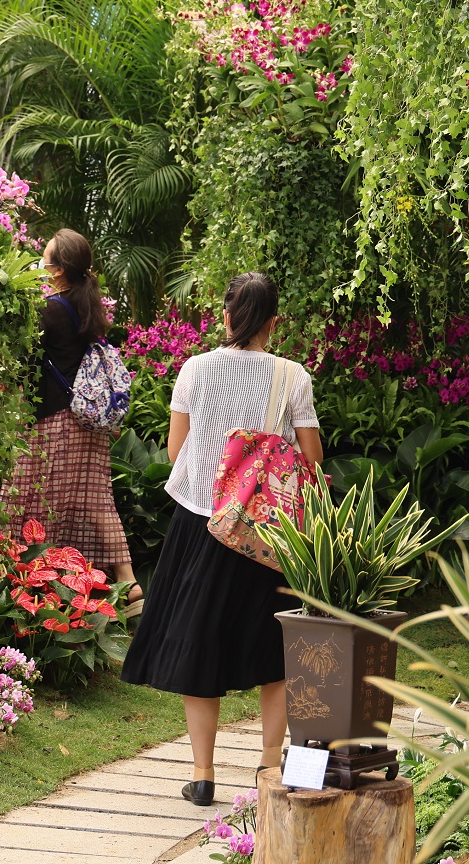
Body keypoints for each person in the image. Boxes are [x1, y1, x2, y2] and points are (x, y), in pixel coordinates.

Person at [120, 271, 322, 805]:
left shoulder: (194, 369)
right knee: (275, 649)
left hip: (201, 523)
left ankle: (204, 774)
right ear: (274, 322)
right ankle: (268, 769)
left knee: (198, 643)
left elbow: (175, 451)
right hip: (265, 533)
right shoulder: (293, 377)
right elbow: (311, 459)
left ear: (227, 316)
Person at [0, 229, 139, 609]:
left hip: (56, 421)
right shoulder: (84, 304)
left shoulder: (50, 309)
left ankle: (20, 577)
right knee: (96, 501)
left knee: (23, 493)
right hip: (87, 422)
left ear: (58, 270)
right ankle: (128, 582)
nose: (39, 265)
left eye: (44, 259)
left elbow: (22, 365)